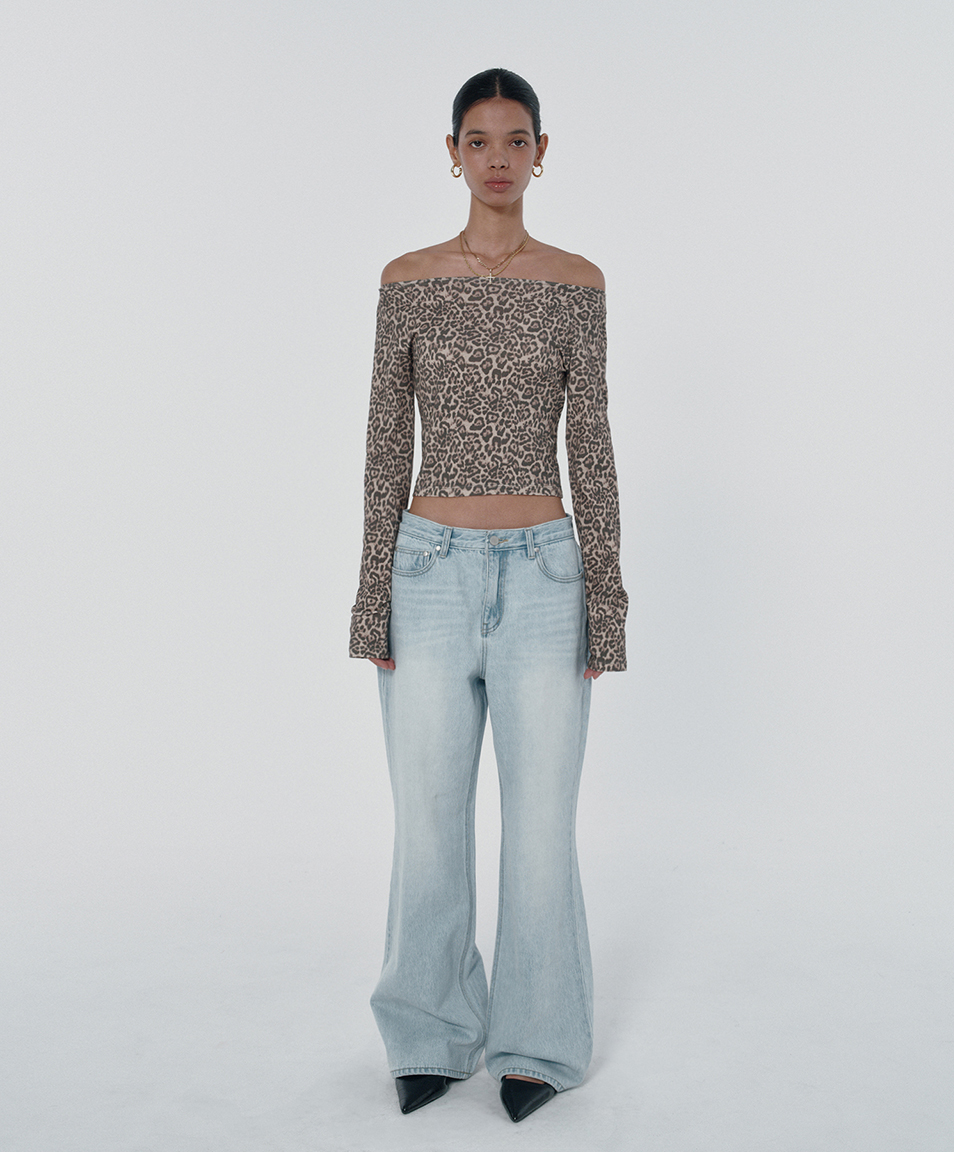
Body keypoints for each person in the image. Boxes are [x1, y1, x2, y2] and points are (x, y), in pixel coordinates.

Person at [349, 68, 628, 1123]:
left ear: (542, 152)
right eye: (480, 140)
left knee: (541, 828)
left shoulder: (577, 282)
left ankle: (537, 1044)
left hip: (548, 575)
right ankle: (428, 1030)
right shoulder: (409, 278)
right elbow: (386, 443)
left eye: (517, 140)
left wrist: (607, 598)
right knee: (427, 822)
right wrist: (369, 594)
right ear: (453, 152)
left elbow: (591, 445)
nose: (498, 158)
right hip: (426, 572)